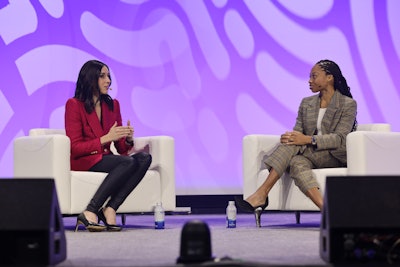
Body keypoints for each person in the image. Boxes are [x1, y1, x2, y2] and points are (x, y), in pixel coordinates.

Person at [236, 59, 357, 227]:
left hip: (333, 154)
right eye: (309, 77)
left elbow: (340, 138)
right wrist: (291, 137)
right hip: (308, 155)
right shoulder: (307, 103)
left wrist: (306, 139)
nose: (310, 81)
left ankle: (261, 194)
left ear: (329, 78)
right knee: (295, 162)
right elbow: (298, 131)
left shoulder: (347, 104)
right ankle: (327, 211)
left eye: (314, 76)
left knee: (293, 146)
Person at [65, 59, 152, 232]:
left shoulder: (113, 105)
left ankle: (111, 208)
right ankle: (90, 210)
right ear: (90, 79)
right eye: (102, 76)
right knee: (126, 162)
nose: (108, 81)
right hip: (85, 160)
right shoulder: (74, 105)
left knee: (143, 158)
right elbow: (74, 147)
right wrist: (105, 139)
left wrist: (126, 138)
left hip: (105, 158)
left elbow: (120, 148)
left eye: (108, 76)